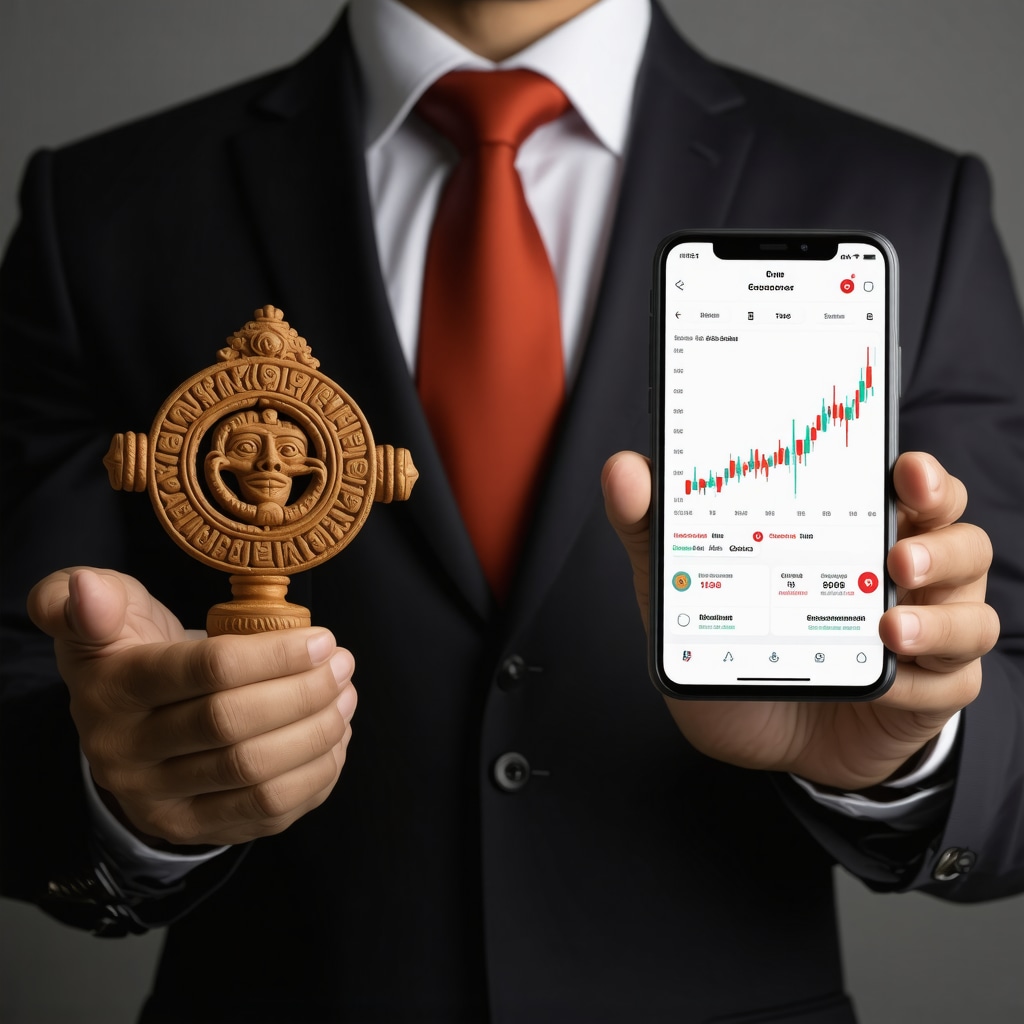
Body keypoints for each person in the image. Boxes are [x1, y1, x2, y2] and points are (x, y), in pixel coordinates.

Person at [1, 0, 1022, 1021]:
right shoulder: (98, 207)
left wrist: (905, 759)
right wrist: (125, 791)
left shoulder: (908, 198)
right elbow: (17, 694)